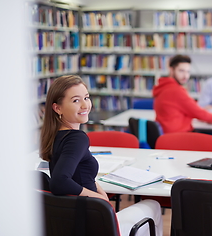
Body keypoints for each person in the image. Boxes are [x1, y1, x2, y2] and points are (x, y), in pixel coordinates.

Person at [40, 75, 163, 236]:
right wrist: (100, 200)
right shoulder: (77, 139)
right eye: (76, 100)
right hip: (94, 222)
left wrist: (99, 190)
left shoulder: (57, 136)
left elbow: (76, 173)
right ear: (58, 108)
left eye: (86, 97)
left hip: (77, 220)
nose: (85, 105)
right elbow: (59, 182)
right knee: (153, 205)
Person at [153, 55, 212, 133]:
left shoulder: (164, 86)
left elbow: (186, 107)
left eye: (188, 71)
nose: (186, 76)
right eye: (181, 71)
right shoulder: (176, 90)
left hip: (168, 135)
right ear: (171, 70)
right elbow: (199, 114)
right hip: (178, 137)